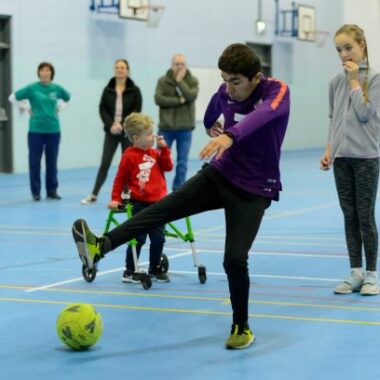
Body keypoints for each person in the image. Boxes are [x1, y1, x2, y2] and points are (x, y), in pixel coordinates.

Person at [72, 43, 290, 350]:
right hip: (221, 175)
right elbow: (212, 112)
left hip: (255, 189)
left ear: (255, 77)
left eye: (235, 81)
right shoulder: (225, 91)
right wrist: (211, 126)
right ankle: (100, 246)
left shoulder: (276, 90)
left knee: (234, 259)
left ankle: (241, 326)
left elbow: (265, 114)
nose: (229, 87)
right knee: (163, 208)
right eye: (225, 79)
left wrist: (230, 135)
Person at [320, 24, 380, 296]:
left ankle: (371, 274)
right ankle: (355, 271)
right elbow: (334, 118)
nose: (344, 54)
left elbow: (366, 114)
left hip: (367, 157)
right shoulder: (334, 82)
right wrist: (329, 149)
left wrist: (356, 81)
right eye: (339, 50)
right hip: (342, 159)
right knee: (349, 216)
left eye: (348, 48)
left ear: (362, 46)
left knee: (365, 216)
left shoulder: (375, 79)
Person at [108, 112, 173, 283]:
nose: (153, 136)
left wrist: (164, 149)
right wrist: (116, 198)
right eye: (149, 134)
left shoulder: (154, 153)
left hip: (159, 203)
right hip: (140, 204)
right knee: (138, 239)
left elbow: (168, 166)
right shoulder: (129, 156)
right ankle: (130, 270)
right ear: (136, 138)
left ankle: (155, 268)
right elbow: (120, 179)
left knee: (159, 238)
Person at [81, 59, 142, 204]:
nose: (120, 70)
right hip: (111, 132)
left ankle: (127, 194)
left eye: (122, 67)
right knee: (105, 162)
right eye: (117, 67)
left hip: (127, 132)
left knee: (126, 164)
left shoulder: (135, 90)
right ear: (114, 70)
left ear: (127, 70)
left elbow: (137, 110)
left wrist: (123, 125)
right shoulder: (107, 89)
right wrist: (111, 125)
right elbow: (102, 109)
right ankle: (94, 194)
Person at [9, 62, 71, 201]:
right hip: (35, 131)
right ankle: (36, 192)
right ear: (39, 73)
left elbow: (68, 98)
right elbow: (12, 97)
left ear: (51, 73)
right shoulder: (32, 88)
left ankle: (52, 191)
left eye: (47, 70)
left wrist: (59, 108)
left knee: (52, 162)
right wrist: (26, 107)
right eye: (42, 70)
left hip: (53, 131)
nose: (44, 73)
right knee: (34, 162)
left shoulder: (57, 89)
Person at [154, 53, 199, 191]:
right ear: (171, 65)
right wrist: (179, 101)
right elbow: (159, 99)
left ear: (185, 65)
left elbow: (191, 96)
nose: (179, 67)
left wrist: (180, 81)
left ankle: (177, 190)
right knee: (158, 160)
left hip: (185, 129)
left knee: (182, 162)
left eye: (182, 64)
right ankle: (156, 189)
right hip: (165, 128)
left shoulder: (192, 81)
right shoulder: (163, 81)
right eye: (176, 64)